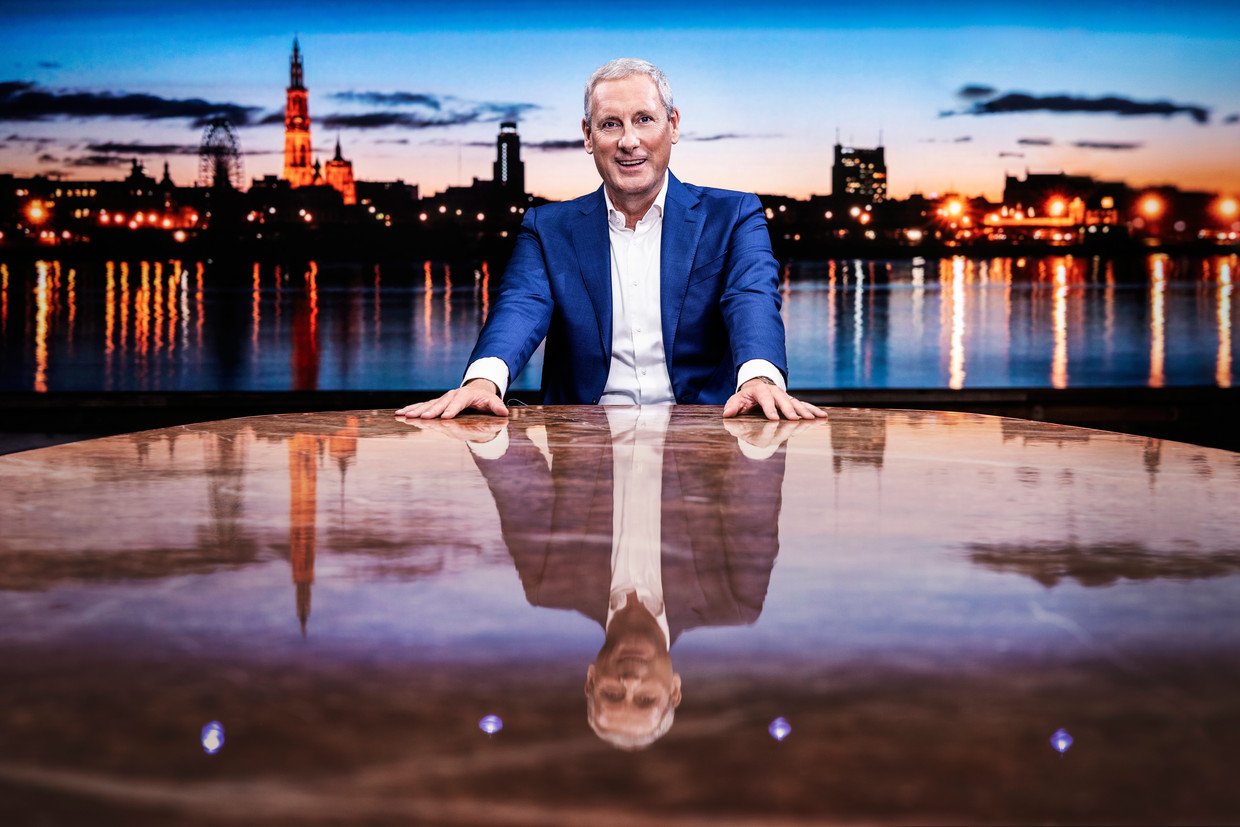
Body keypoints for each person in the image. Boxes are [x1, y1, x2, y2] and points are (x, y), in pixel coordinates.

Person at [396, 58, 826, 422]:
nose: (628, 141)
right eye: (610, 124)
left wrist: (758, 379)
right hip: (582, 446)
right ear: (588, 136)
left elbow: (751, 299)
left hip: (707, 437)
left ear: (672, 125)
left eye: (644, 119)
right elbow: (520, 305)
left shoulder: (734, 215)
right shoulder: (547, 227)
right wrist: (484, 380)